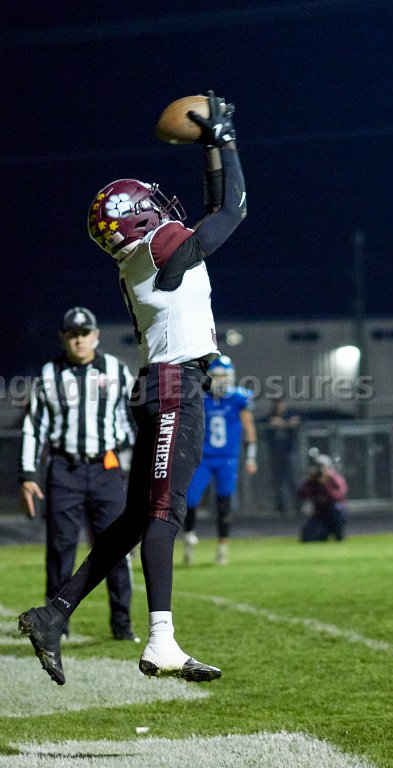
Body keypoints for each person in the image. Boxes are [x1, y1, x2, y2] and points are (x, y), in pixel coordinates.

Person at [17, 91, 246, 686]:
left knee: (136, 518)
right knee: (165, 514)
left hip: (159, 386)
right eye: (151, 205)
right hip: (175, 388)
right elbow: (231, 211)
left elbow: (214, 207)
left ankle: (53, 614)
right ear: (141, 219)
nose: (163, 209)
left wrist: (211, 148)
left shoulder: (145, 255)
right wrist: (223, 140)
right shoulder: (158, 248)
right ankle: (161, 641)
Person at [19, 306, 139, 643]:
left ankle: (122, 624)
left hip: (106, 469)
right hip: (64, 469)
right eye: (72, 334)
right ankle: (56, 624)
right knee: (61, 549)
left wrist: (132, 458)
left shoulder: (116, 370)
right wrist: (27, 474)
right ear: (63, 337)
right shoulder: (49, 374)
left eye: (85, 333)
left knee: (116, 548)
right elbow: (34, 427)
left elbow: (135, 419)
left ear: (96, 336)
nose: (79, 340)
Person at [181, 355, 258, 566]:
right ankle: (189, 537)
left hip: (227, 459)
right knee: (190, 499)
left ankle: (223, 547)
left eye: (224, 375)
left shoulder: (239, 398)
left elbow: (249, 429)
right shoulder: (200, 397)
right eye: (216, 375)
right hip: (203, 458)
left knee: (224, 502)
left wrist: (251, 456)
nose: (220, 379)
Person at [263, 395, 302, 516]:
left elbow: (299, 421)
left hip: (290, 453)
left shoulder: (290, 415)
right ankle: (280, 507)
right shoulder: (270, 416)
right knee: (278, 481)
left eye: (280, 403)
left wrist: (285, 424)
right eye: (276, 403)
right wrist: (272, 423)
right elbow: (261, 423)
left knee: (293, 480)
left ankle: (298, 506)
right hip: (276, 454)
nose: (279, 406)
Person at [298, 449, 348, 542]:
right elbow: (302, 495)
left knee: (337, 510)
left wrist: (325, 484)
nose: (320, 470)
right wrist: (309, 481)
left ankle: (338, 532)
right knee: (307, 537)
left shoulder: (335, 479)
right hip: (321, 514)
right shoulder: (313, 481)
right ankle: (324, 533)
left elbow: (338, 496)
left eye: (322, 467)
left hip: (335, 512)